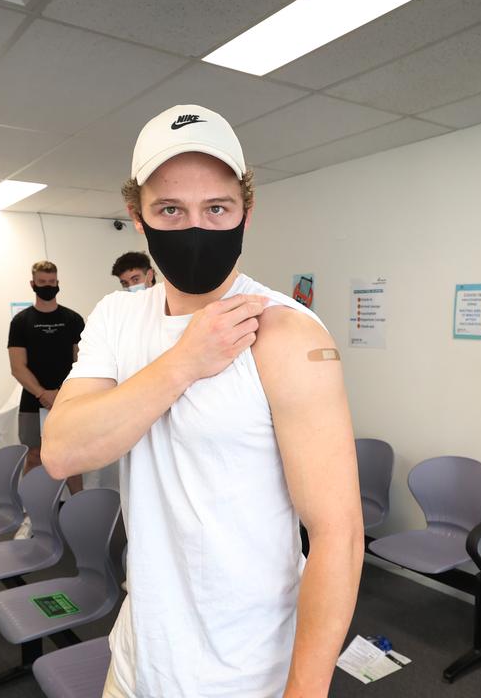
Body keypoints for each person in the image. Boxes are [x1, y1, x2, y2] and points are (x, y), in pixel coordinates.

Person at [43, 105, 365, 697]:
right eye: (171, 209)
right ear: (137, 216)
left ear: (246, 211)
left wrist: (306, 692)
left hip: (248, 671)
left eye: (216, 208)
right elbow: (63, 452)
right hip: (138, 658)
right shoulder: (118, 316)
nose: (196, 228)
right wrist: (185, 361)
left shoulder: (288, 333)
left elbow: (338, 535)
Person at [7, 261, 84, 490]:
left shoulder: (73, 320)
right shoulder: (20, 322)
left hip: (67, 399)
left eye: (52, 282)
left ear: (58, 283)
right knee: (34, 455)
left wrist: (61, 394)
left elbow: (82, 362)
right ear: (33, 284)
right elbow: (17, 367)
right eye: (42, 282)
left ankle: (79, 513)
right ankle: (30, 514)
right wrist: (43, 394)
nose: (47, 286)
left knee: (72, 458)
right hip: (32, 400)